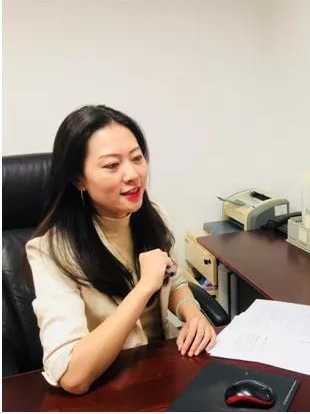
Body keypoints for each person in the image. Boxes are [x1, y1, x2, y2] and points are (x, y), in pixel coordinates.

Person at [26, 105, 216, 395]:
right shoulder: (49, 252)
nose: (133, 174)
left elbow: (173, 280)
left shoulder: (153, 217)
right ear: (78, 178)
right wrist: (144, 287)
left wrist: (193, 314)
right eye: (112, 165)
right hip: (110, 390)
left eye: (137, 158)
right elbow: (72, 376)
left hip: (164, 372)